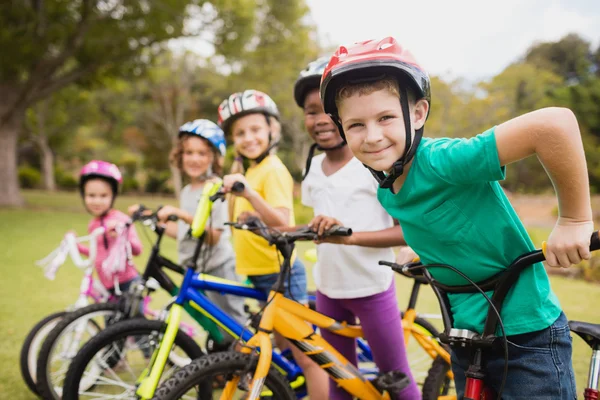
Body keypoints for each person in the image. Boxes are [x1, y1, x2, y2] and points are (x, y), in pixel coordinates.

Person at [320, 36, 591, 399]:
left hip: (526, 333)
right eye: (355, 125)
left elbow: (554, 125)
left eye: (385, 117)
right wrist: (423, 251)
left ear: (417, 114)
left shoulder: (443, 161)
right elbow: (442, 221)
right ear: (341, 129)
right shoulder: (387, 186)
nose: (372, 136)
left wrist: (574, 220)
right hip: (467, 335)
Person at [295, 57, 420, 399]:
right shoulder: (314, 167)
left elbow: (407, 232)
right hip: (327, 291)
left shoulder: (372, 161)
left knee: (397, 381)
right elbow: (321, 222)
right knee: (340, 383)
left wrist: (348, 236)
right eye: (310, 111)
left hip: (371, 290)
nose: (319, 119)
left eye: (326, 110)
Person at [218, 89, 329, 400]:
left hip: (281, 273)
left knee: (308, 356)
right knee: (283, 348)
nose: (248, 137)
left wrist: (249, 194)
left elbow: (281, 221)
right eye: (240, 133)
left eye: (255, 129)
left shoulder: (273, 170)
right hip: (260, 273)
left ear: (272, 130)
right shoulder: (250, 170)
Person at [129, 119, 247, 348]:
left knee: (233, 324)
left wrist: (181, 214)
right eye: (189, 152)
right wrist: (151, 217)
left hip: (219, 267)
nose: (194, 159)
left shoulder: (216, 187)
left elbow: (213, 236)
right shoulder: (187, 190)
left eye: (202, 153)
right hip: (197, 269)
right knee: (213, 324)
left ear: (214, 157)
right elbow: (187, 232)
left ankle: (250, 368)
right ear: (180, 155)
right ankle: (223, 365)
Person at [75, 160, 142, 295]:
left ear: (113, 196)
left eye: (103, 196)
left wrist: (121, 235)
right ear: (84, 196)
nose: (97, 201)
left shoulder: (121, 220)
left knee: (135, 316)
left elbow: (137, 250)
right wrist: (77, 245)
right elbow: (97, 254)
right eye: (91, 196)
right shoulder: (93, 224)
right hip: (107, 286)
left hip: (127, 283)